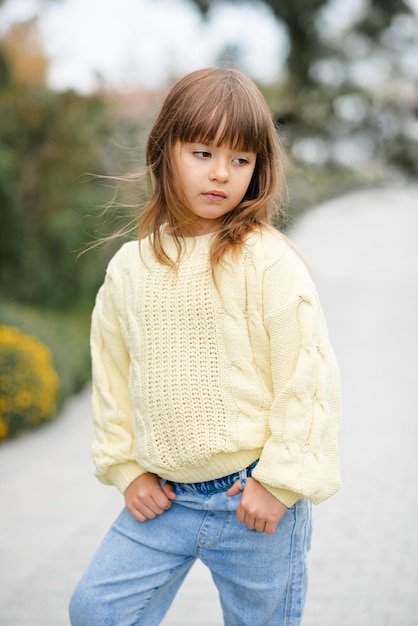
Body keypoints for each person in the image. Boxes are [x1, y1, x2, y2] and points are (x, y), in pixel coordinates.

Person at [69, 67, 342, 626]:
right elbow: (113, 379)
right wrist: (126, 470)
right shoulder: (130, 269)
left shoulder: (267, 261)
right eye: (202, 152)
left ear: (257, 170)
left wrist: (280, 483)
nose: (221, 173)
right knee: (96, 610)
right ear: (164, 150)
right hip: (163, 499)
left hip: (254, 501)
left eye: (240, 161)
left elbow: (307, 376)